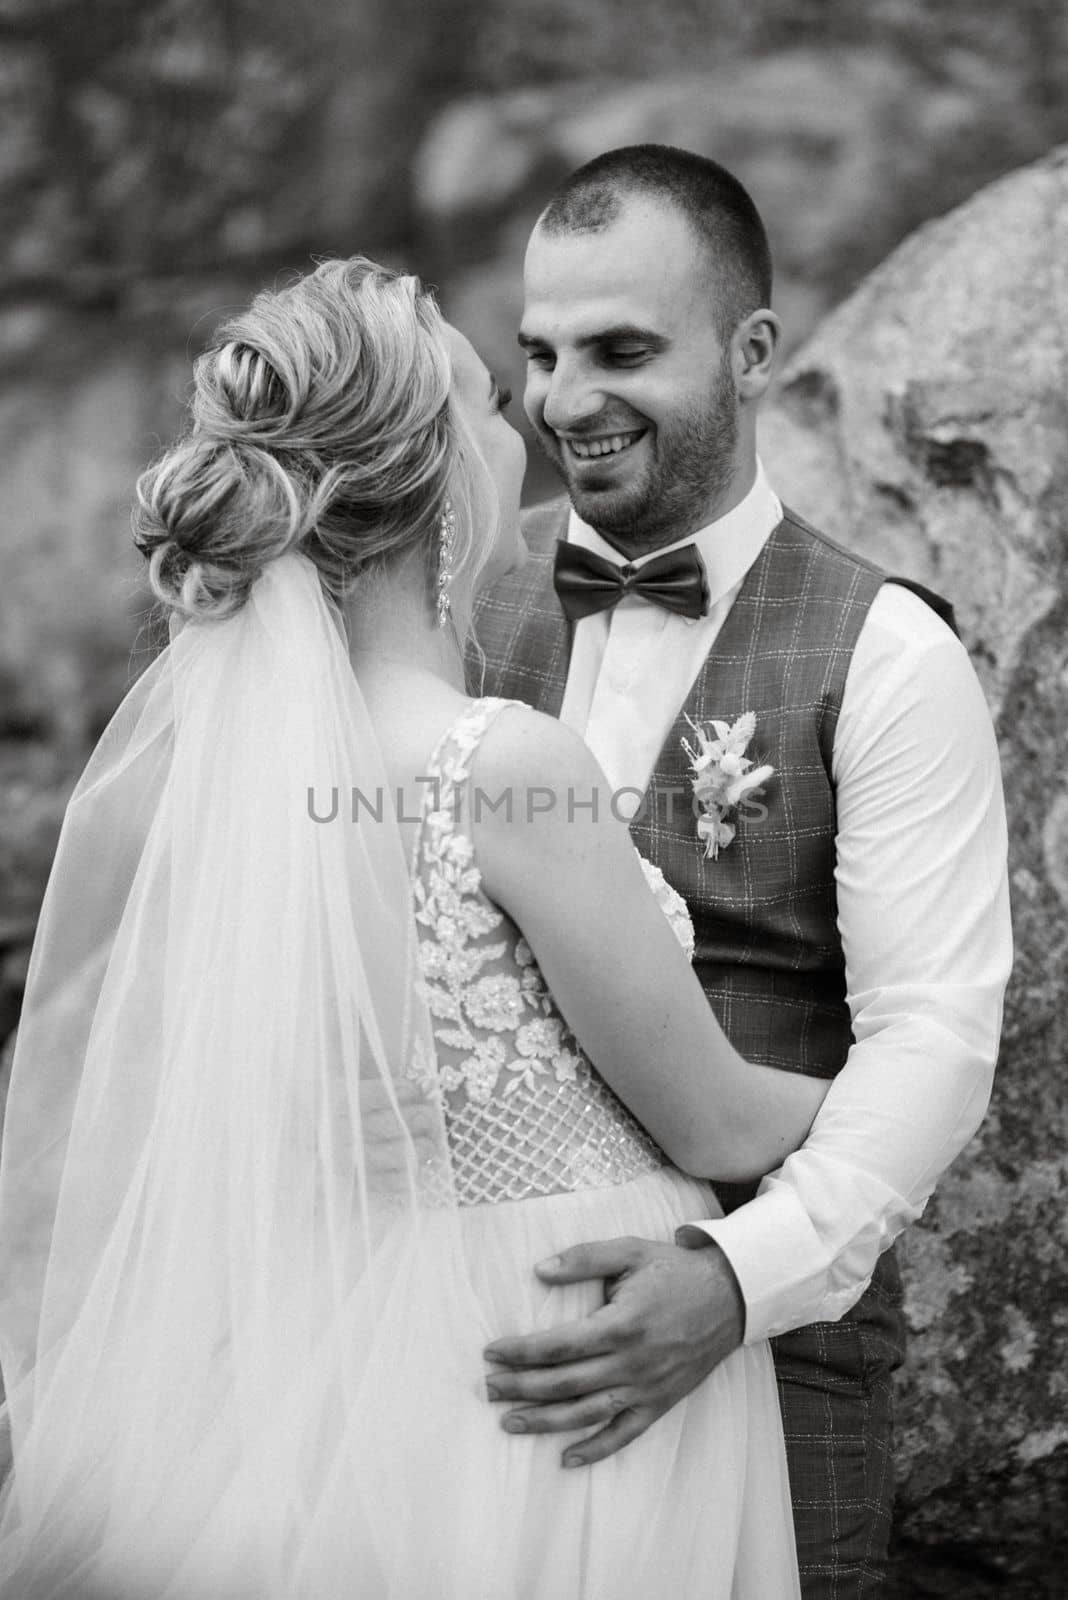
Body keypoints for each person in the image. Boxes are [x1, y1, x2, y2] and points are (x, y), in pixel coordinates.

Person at [0, 255, 838, 1598]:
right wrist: (927, 1082)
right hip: (560, 1350)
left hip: (350, 1345)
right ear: (444, 476)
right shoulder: (503, 764)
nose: (533, 431)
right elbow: (723, 1123)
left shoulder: (220, 786)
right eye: (498, 402)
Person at [473, 145, 1012, 1597]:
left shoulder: (889, 657)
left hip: (775, 1366)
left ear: (754, 351)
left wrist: (729, 1284)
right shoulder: (458, 605)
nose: (565, 399)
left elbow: (939, 1041)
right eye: (540, 352)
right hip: (475, 1354)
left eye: (623, 350)